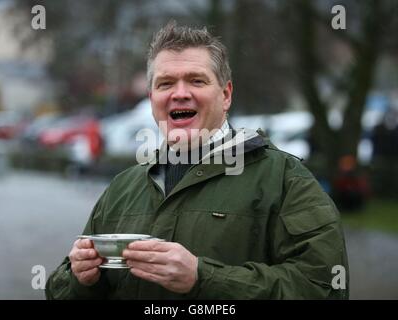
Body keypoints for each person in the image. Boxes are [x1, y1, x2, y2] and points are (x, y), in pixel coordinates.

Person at [46, 22, 349, 299]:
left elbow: (324, 289)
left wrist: (203, 278)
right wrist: (81, 278)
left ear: (226, 94)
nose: (180, 94)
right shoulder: (122, 188)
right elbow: (58, 292)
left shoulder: (285, 179)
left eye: (196, 80)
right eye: (165, 84)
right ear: (152, 99)